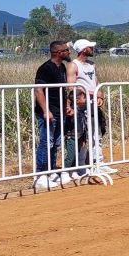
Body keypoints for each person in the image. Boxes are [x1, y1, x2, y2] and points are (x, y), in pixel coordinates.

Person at [70, 38, 116, 174]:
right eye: (90, 47)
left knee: (97, 133)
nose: (92, 49)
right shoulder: (73, 65)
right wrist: (89, 93)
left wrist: (100, 95)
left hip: (93, 103)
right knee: (82, 135)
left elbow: (95, 81)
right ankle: (81, 165)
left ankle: (98, 163)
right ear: (84, 49)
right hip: (81, 105)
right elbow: (71, 86)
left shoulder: (92, 64)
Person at [33, 40, 73, 189]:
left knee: (55, 143)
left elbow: (62, 90)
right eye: (66, 50)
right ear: (58, 52)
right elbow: (38, 90)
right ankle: (40, 174)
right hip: (48, 113)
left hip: (59, 111)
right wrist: (45, 111)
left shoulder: (61, 67)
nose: (68, 53)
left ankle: (51, 170)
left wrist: (67, 105)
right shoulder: (45, 68)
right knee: (46, 142)